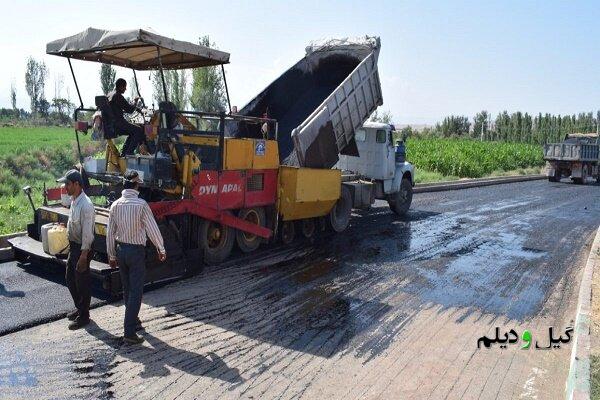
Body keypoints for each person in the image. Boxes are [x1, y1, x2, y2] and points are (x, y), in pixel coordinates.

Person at [106, 171, 167, 344]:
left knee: (127, 289)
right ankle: (129, 331)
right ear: (137, 185)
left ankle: (134, 319)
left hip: (121, 251)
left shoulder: (115, 205)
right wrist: (160, 248)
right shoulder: (141, 205)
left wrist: (111, 255)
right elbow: (152, 229)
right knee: (137, 291)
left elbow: (110, 233)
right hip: (136, 253)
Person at [57, 169, 95, 330]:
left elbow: (87, 233)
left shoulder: (86, 205)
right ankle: (80, 308)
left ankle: (84, 316)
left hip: (82, 249)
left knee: (82, 282)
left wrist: (84, 255)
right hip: (74, 247)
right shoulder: (74, 200)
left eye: (67, 184)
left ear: (77, 184)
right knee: (70, 278)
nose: (65, 187)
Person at [108, 78, 146, 156]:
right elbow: (129, 109)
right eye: (125, 87)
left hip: (111, 124)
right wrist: (139, 109)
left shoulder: (110, 95)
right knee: (139, 130)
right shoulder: (117, 96)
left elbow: (124, 107)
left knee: (133, 132)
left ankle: (124, 153)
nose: (125, 89)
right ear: (121, 87)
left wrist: (134, 104)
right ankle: (129, 153)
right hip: (118, 124)